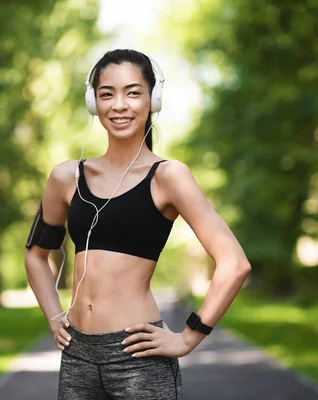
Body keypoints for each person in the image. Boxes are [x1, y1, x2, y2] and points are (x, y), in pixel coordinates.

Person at [24, 49, 251, 400]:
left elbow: (234, 264)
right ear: (93, 102)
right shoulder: (65, 178)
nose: (119, 105)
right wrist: (54, 316)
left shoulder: (169, 177)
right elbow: (36, 256)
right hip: (77, 358)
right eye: (106, 94)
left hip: (138, 359)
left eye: (132, 92)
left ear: (152, 99)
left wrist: (188, 337)